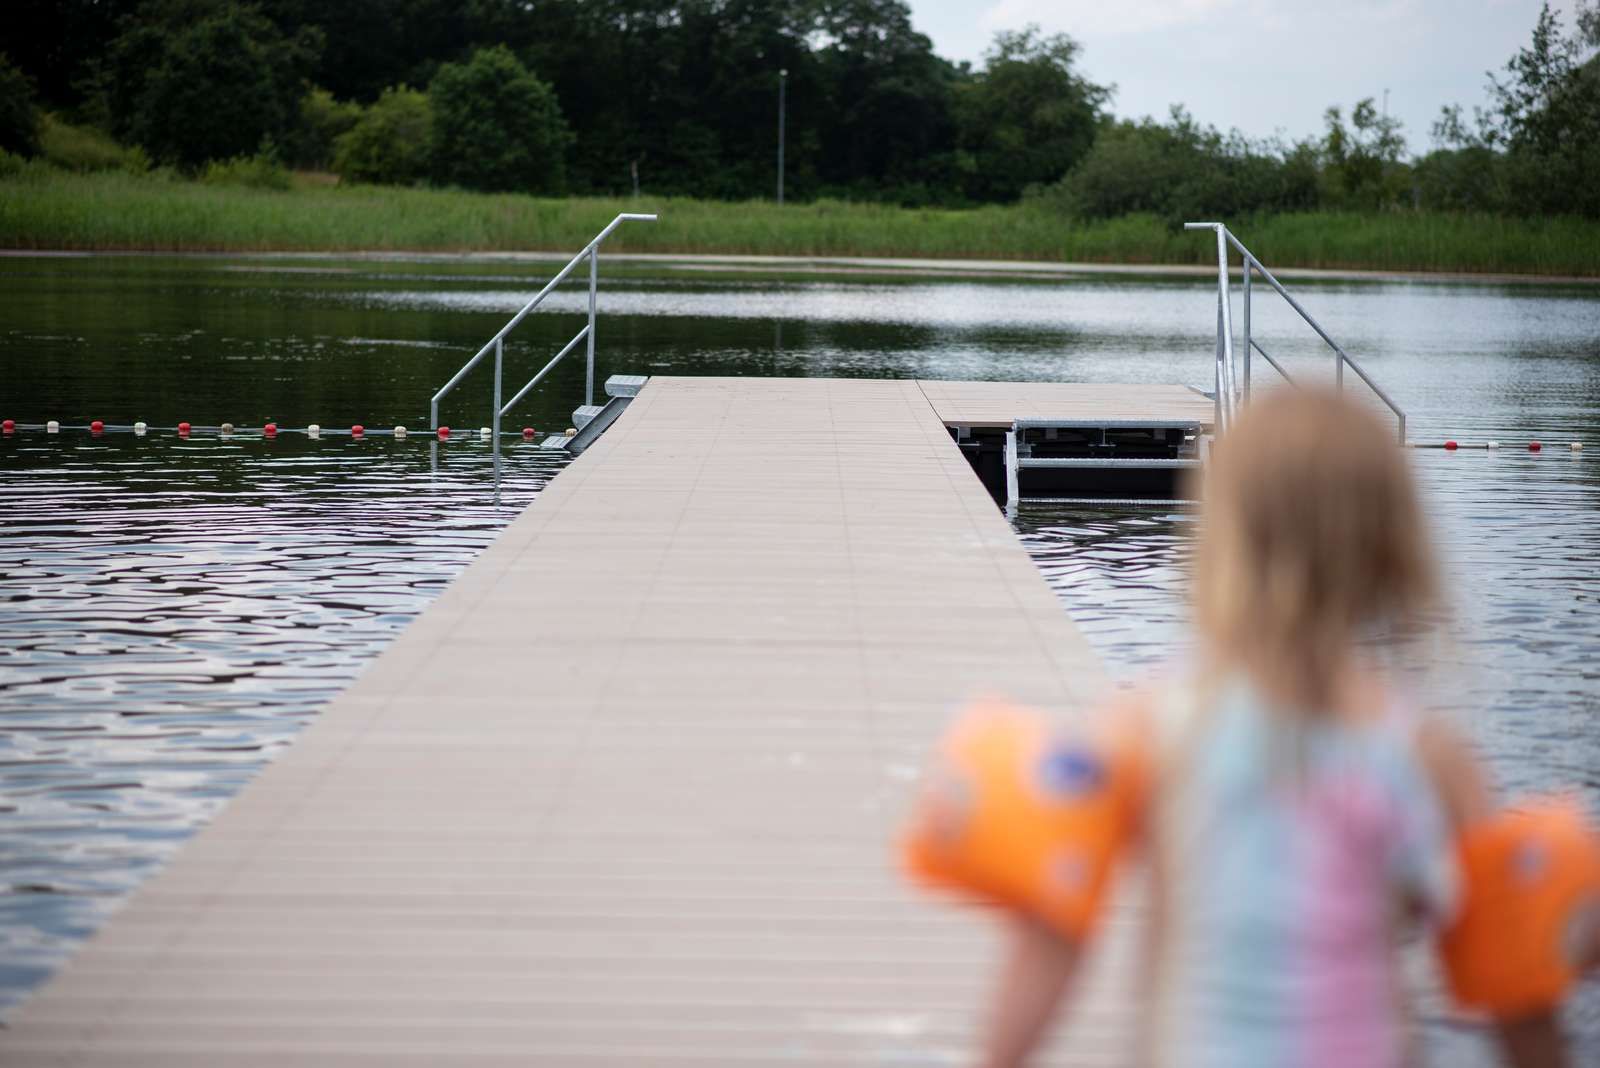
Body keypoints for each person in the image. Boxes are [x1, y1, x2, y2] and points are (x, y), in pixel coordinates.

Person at [975, 387, 1592, 1068]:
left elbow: (1054, 937)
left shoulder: (1149, 724)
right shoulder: (1425, 757)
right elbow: (1514, 986)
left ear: (1220, 534)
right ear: (1391, 549)